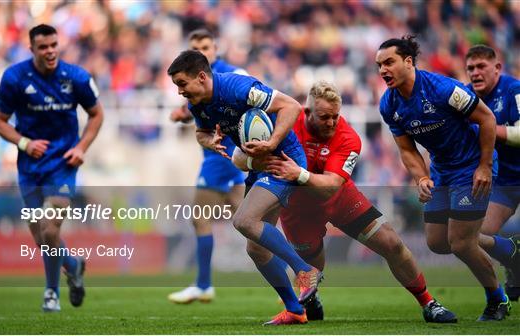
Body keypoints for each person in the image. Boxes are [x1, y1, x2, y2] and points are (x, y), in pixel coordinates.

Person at [232, 81, 457, 323]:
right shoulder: (285, 123)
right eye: (324, 117)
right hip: (297, 210)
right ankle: (311, 300)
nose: (331, 122)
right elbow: (239, 158)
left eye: (335, 117)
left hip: (339, 199)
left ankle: (429, 303)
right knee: (311, 269)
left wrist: (299, 174)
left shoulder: (348, 137)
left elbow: (330, 187)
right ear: (307, 113)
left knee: (391, 243)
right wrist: (258, 161)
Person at [167, 50, 322, 325]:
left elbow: (291, 107)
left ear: (201, 77)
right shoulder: (197, 104)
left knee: (244, 220)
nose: (180, 92)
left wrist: (272, 142)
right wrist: (209, 142)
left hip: (283, 161)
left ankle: (304, 269)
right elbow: (201, 132)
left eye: (182, 83)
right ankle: (295, 310)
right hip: (257, 165)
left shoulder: (240, 88)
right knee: (256, 249)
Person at [376, 35, 510, 321]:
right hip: (441, 170)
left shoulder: (443, 89)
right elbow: (406, 149)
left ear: (408, 62)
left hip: (472, 166)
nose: (383, 70)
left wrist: (485, 166)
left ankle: (497, 300)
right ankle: (507, 248)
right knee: (437, 242)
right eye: (379, 65)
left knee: (461, 243)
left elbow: (487, 119)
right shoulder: (389, 104)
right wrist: (421, 177)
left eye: (389, 62)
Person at [0, 24, 104, 312]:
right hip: (29, 166)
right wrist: (24, 143)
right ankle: (73, 265)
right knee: (41, 237)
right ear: (32, 50)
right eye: (43, 47)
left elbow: (96, 114)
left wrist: (81, 148)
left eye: (54, 45)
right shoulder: (15, 77)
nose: (50, 51)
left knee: (50, 229)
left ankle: (51, 293)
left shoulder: (76, 76)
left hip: (63, 164)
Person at [168, 29, 246, 304]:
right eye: (195, 47)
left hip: (226, 155)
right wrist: (184, 115)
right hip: (219, 154)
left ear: (216, 48)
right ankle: (296, 271)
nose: (202, 52)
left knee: (204, 217)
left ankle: (203, 284)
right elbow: (205, 115)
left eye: (205, 46)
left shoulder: (233, 75)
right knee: (247, 221)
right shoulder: (194, 80)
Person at [464, 45, 520, 301]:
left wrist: (487, 127)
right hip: (503, 180)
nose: (475, 73)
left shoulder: (514, 90)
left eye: (481, 67)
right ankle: (514, 259)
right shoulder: (465, 97)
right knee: (477, 234)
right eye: (470, 68)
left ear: (497, 68)